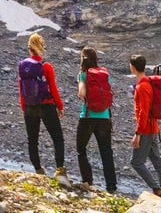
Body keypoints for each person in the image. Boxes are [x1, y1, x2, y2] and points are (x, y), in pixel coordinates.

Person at [17, 32, 66, 180]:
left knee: (32, 140)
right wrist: (60, 106)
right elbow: (53, 88)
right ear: (41, 47)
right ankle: (59, 170)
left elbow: (20, 88)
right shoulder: (46, 67)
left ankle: (38, 170)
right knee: (58, 138)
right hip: (46, 106)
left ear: (29, 48)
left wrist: (23, 106)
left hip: (30, 107)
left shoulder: (22, 66)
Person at [75, 46, 117, 193]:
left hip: (87, 117)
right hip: (105, 118)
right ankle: (111, 186)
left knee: (81, 149)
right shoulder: (104, 74)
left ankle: (87, 181)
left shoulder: (84, 74)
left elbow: (81, 93)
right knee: (106, 152)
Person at [129, 53, 161, 199]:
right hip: (153, 128)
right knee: (157, 162)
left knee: (136, 162)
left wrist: (137, 133)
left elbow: (143, 112)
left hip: (146, 130)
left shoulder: (142, 87)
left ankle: (157, 190)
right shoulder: (149, 84)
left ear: (132, 68)